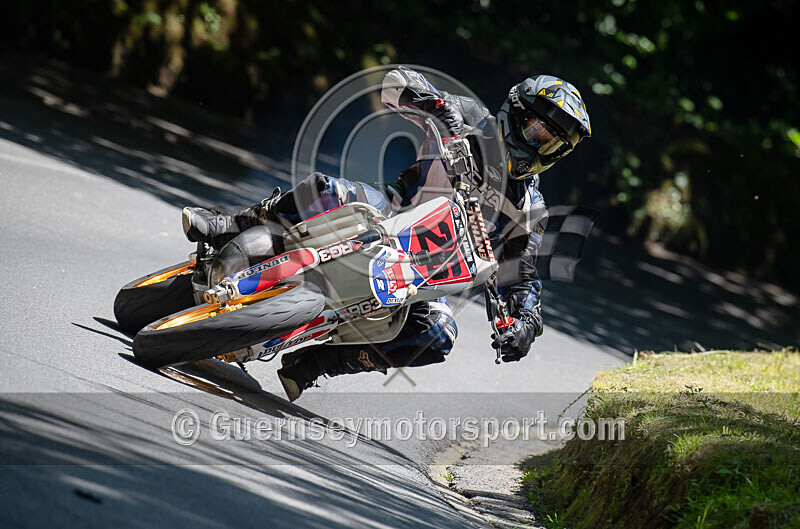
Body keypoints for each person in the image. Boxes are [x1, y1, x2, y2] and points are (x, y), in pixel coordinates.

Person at [182, 67, 591, 400]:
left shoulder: (529, 208)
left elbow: (521, 274)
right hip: (389, 208)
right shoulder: (469, 116)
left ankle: (319, 362)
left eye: (552, 144)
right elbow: (396, 85)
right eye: (538, 131)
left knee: (438, 336)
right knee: (326, 190)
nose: (539, 146)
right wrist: (433, 103)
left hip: (429, 271)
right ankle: (229, 226)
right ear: (515, 114)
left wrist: (525, 323)